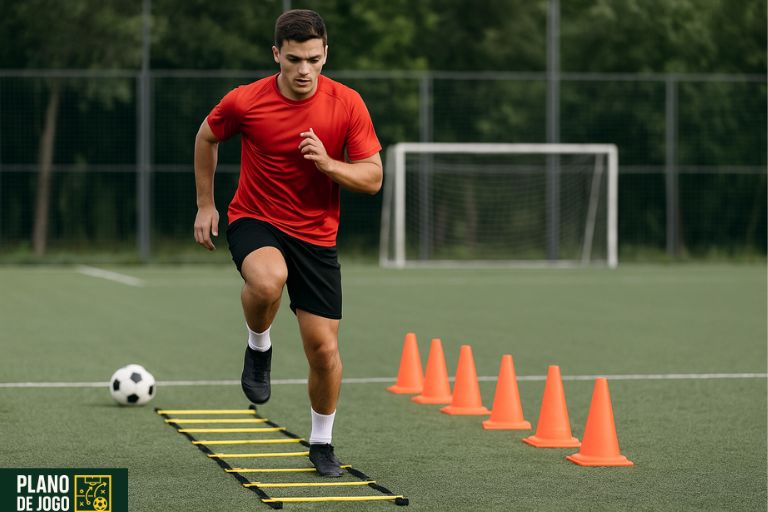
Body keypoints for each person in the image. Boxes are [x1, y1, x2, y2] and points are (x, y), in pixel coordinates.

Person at [192, 9, 382, 477]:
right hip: (255, 218)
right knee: (268, 280)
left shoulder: (348, 104)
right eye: (293, 59)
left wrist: (330, 165)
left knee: (323, 351)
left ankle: (321, 443)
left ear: (325, 55)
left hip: (317, 236)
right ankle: (259, 346)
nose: (303, 71)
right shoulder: (245, 101)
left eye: (313, 60)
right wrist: (205, 204)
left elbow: (374, 177)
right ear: (277, 54)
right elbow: (206, 136)